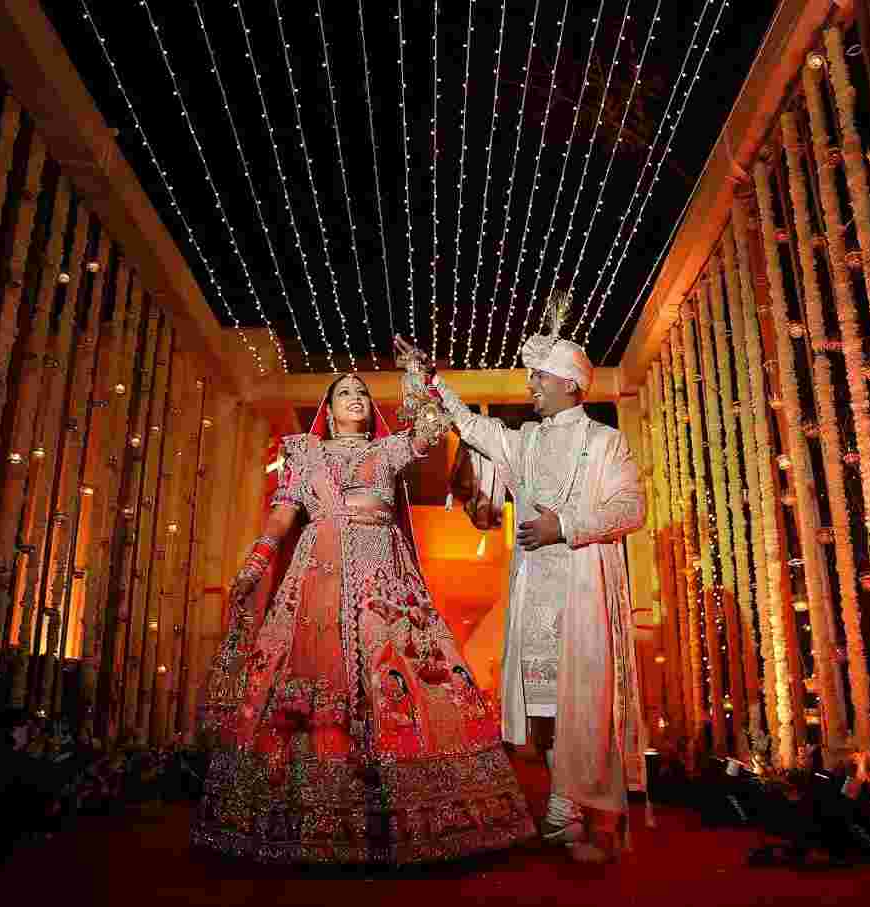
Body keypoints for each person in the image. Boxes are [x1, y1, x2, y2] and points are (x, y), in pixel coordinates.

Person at [193, 372, 534, 864]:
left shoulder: (388, 450)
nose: (355, 398)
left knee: (396, 673)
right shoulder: (305, 455)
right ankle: (299, 814)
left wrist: (419, 379)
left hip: (383, 581)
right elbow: (283, 514)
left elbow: (431, 427)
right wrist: (255, 563)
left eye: (362, 393)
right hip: (317, 576)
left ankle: (408, 814)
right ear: (328, 411)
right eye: (344, 393)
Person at [395, 324, 649, 865]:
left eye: (539, 377)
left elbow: (631, 509)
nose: (531, 385)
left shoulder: (606, 442)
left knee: (587, 703)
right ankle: (564, 811)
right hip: (535, 594)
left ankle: (573, 812)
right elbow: (469, 426)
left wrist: (566, 526)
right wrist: (433, 379)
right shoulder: (526, 440)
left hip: (584, 589)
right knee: (548, 710)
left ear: (570, 384)